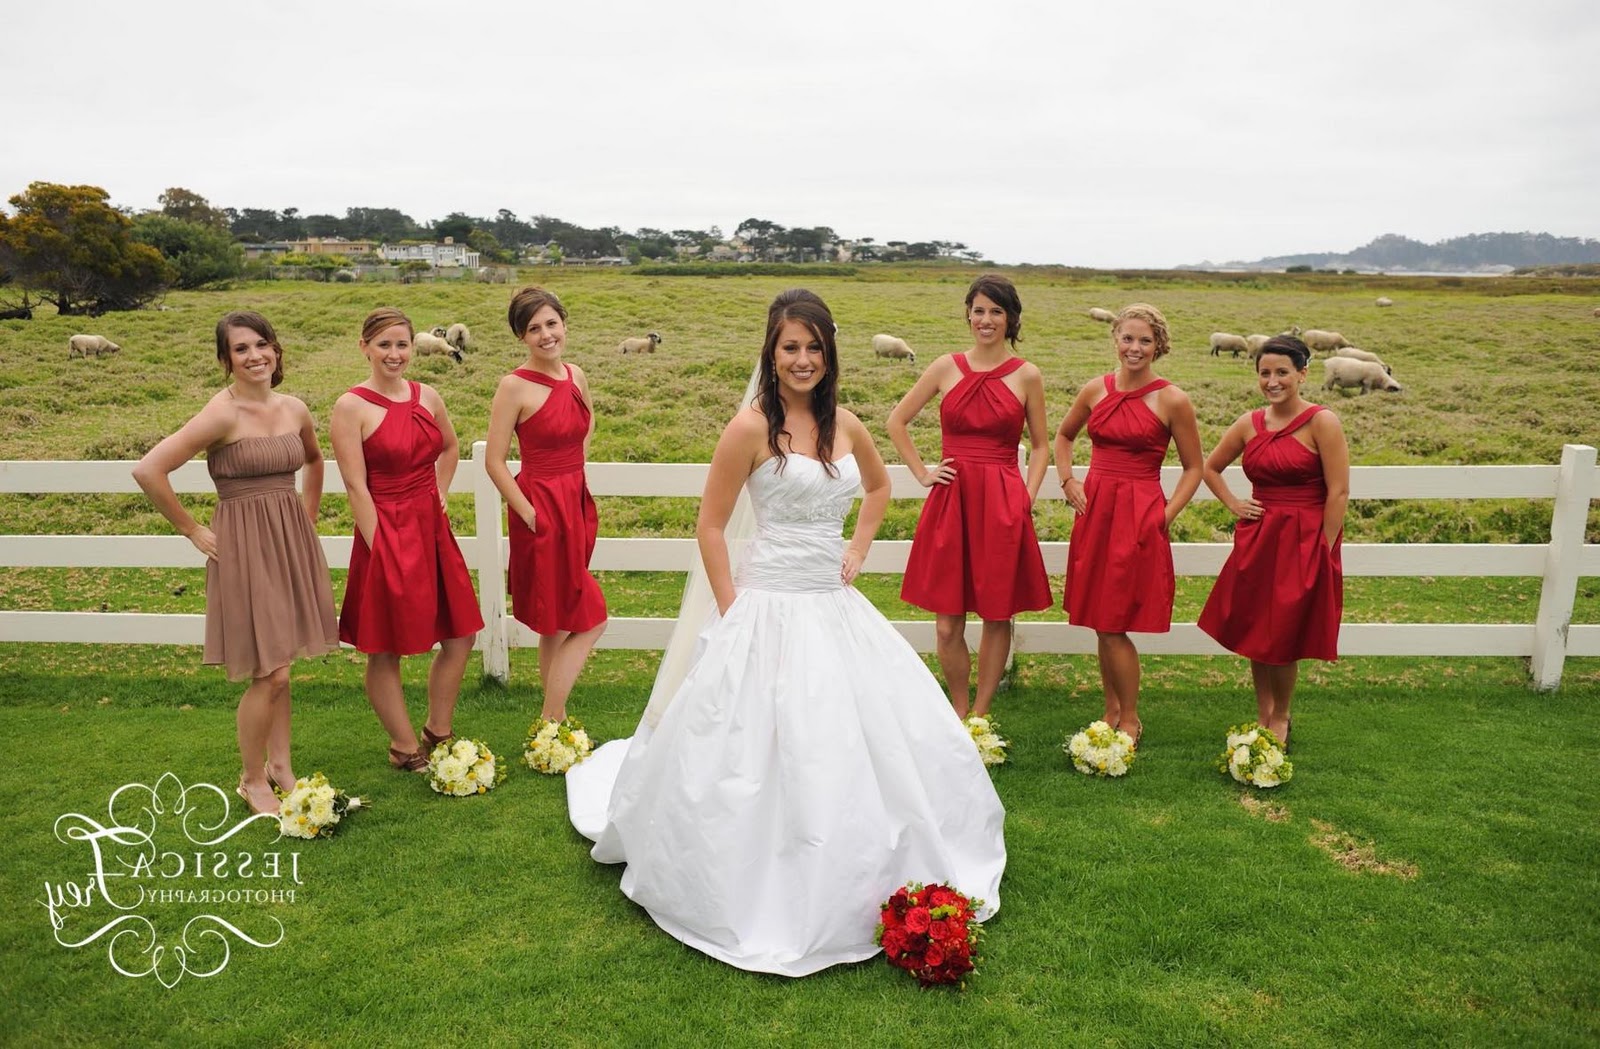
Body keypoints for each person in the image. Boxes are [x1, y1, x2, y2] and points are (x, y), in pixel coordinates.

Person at [565, 290, 1006, 978]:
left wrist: (858, 546)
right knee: (752, 741)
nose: (803, 359)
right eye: (790, 347)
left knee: (859, 735)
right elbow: (711, 526)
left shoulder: (849, 425)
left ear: (829, 354)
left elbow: (880, 488)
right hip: (765, 600)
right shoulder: (749, 428)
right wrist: (732, 604)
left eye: (814, 347)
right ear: (771, 354)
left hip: (831, 602)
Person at [132, 310, 338, 815]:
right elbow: (149, 469)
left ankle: (282, 765)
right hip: (244, 546)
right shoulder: (221, 413)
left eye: (262, 344)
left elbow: (313, 460)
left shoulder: (294, 408)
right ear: (226, 359)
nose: (255, 356)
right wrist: (192, 529)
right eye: (241, 349)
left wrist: (306, 514)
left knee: (283, 668)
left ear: (276, 349)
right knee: (268, 672)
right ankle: (252, 778)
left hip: (290, 541)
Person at [888, 274, 1052, 718]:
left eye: (996, 311)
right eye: (979, 310)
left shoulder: (1027, 375)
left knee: (997, 614)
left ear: (1011, 318)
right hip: (952, 500)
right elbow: (896, 421)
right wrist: (923, 472)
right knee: (946, 624)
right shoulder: (945, 366)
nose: (986, 319)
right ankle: (958, 712)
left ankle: (980, 715)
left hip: (1002, 500)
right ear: (968, 314)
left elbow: (1041, 446)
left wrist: (1026, 495)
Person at [330, 307, 484, 772]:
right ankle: (402, 746)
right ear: (365, 348)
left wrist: (440, 492)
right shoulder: (350, 406)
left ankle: (438, 730)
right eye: (384, 345)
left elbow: (450, 447)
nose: (395, 354)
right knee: (385, 646)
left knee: (461, 634)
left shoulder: (429, 396)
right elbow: (356, 486)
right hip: (385, 529)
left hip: (431, 528)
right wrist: (383, 550)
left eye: (402, 344)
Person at [1055, 303, 1202, 748]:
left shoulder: (1172, 399)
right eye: (1127, 338)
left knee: (1115, 621)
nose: (1134, 347)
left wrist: (1164, 514)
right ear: (1115, 338)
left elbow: (1194, 467)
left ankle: (1131, 719)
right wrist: (1067, 479)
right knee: (1102, 619)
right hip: (1096, 509)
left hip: (1139, 513)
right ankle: (1111, 710)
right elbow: (1063, 437)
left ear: (1158, 346)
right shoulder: (1094, 390)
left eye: (1144, 340)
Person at [1198, 335, 1348, 750]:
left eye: (1282, 372)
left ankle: (1281, 715)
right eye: (1265, 373)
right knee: (1257, 630)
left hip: (1304, 540)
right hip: (1260, 537)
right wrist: (1234, 503)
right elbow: (1210, 468)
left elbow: (1338, 492)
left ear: (1302, 373)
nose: (1273, 380)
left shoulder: (1322, 422)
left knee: (1283, 634)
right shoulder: (1249, 423)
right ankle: (1264, 710)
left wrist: (1324, 549)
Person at [485, 286, 607, 720]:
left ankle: (553, 723)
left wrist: (573, 471)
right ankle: (551, 719)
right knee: (588, 617)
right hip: (539, 508)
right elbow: (494, 461)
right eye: (533, 328)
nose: (545, 334)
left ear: (564, 323)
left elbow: (587, 425)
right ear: (522, 337)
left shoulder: (576, 375)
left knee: (558, 618)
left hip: (574, 500)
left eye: (551, 323)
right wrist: (531, 512)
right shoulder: (514, 386)